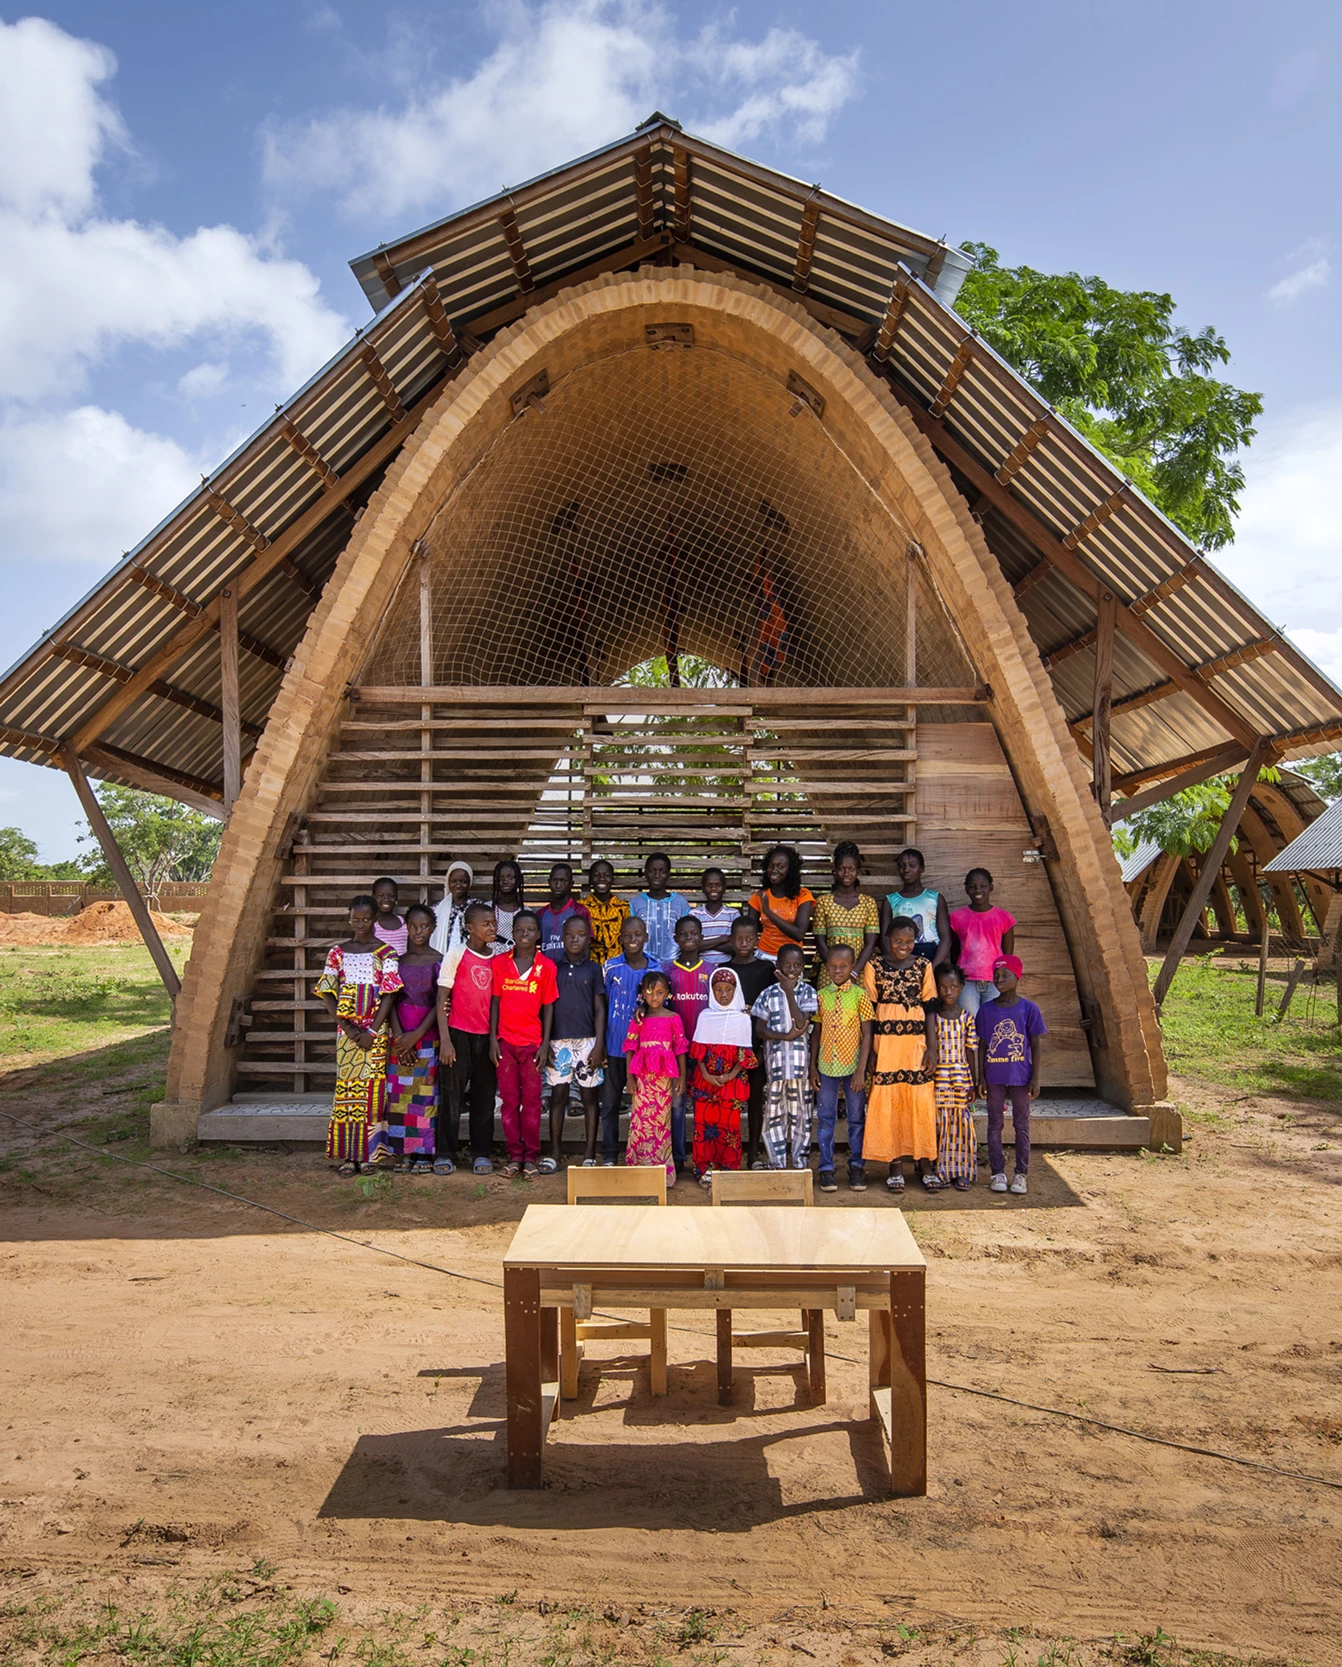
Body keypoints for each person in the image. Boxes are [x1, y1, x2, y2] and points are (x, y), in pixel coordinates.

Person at [315, 895, 403, 1176]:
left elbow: (389, 996)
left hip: (375, 1034)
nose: (360, 924)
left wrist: (372, 1031)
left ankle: (370, 1155)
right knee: (347, 1093)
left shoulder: (386, 953)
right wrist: (349, 1028)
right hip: (347, 1035)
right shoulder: (337, 952)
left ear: (375, 920)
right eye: (355, 919)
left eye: (365, 919)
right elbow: (327, 992)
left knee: (373, 1094)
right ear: (348, 918)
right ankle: (348, 1156)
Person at [862, 916, 938, 1194]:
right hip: (886, 1047)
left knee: (919, 1100)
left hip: (914, 1045)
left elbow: (930, 1009)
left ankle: (925, 1162)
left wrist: (932, 1047)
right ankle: (894, 1165)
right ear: (887, 939)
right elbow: (868, 1014)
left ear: (915, 941)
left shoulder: (923, 966)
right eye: (897, 941)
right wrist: (869, 1051)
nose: (902, 946)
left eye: (908, 941)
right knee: (889, 1102)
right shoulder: (874, 966)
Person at [489, 909, 557, 1178]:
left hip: (532, 1045)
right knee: (508, 1102)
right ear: (513, 933)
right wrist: (494, 1039)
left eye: (530, 930)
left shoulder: (547, 967)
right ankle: (514, 1156)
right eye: (519, 930)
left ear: (538, 934)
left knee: (531, 1103)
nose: (525, 934)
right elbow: (495, 1003)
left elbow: (549, 1008)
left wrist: (544, 1044)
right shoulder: (500, 963)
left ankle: (530, 1157)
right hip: (505, 1043)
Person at [436, 902, 500, 1175]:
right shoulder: (456, 954)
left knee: (484, 1099)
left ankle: (481, 1153)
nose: (492, 928)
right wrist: (446, 1041)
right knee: (451, 1097)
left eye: (493, 923)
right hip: (458, 1036)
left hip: (486, 1038)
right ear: (470, 927)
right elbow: (441, 999)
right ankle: (445, 1153)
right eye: (486, 924)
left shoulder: (499, 958)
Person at [380, 904, 443, 1173]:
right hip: (400, 1037)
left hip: (427, 1037)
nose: (419, 931)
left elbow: (439, 1004)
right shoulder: (397, 960)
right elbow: (390, 1000)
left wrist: (416, 1036)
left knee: (425, 1095)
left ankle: (424, 1152)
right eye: (414, 926)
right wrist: (400, 1037)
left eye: (424, 926)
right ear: (406, 926)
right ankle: (403, 1150)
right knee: (400, 1096)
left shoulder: (439, 959)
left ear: (433, 928)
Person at [977, 953, 1046, 1196]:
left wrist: (1035, 1078)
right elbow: (983, 1046)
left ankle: (1020, 1174)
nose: (999, 979)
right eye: (996, 975)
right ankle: (997, 1172)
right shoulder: (986, 1011)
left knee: (1021, 1124)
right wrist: (981, 1077)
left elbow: (1036, 1045)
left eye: (1005, 975)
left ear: (1017, 976)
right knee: (994, 1124)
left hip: (1021, 1076)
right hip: (994, 1075)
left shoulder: (1029, 1009)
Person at [542, 915, 606, 1172]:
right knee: (558, 1097)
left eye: (580, 934)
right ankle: (555, 1154)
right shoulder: (551, 968)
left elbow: (600, 1009)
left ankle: (589, 1153)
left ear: (588, 937)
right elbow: (546, 1006)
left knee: (590, 1099)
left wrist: (599, 1044)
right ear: (562, 937)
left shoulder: (593, 969)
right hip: (559, 1043)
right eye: (570, 934)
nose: (575, 938)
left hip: (588, 1042)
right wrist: (545, 1042)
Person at [599, 915, 664, 1166]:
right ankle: (609, 1154)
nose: (633, 939)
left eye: (638, 935)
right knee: (611, 1103)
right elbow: (603, 1007)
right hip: (615, 1046)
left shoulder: (656, 970)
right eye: (627, 935)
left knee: (645, 1104)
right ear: (621, 938)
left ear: (646, 937)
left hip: (646, 1051)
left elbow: (660, 1008)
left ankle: (644, 1154)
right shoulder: (611, 967)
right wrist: (601, 1043)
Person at [810, 942, 874, 1193]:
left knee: (857, 1118)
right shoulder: (822, 995)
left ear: (852, 966)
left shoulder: (860, 995)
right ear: (827, 966)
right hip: (826, 1067)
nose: (838, 970)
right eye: (833, 966)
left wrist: (861, 1070)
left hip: (853, 1068)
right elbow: (816, 1033)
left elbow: (867, 1034)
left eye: (843, 966)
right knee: (826, 1118)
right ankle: (826, 1168)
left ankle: (857, 1166)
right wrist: (813, 1067)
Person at [751, 941, 818, 1170]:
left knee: (802, 1116)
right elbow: (760, 1030)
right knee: (774, 1116)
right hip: (776, 1067)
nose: (791, 969)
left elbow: (801, 1023)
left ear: (803, 967)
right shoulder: (767, 995)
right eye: (787, 964)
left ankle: (800, 1163)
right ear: (777, 965)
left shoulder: (808, 992)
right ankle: (776, 1163)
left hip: (801, 1068)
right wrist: (785, 1037)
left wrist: (789, 992)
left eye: (797, 965)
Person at [688, 967, 758, 1186]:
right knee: (703, 1124)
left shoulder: (743, 1020)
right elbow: (698, 1052)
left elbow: (744, 1054)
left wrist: (730, 1075)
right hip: (706, 1081)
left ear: (735, 991)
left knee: (729, 1126)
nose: (723, 994)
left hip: (731, 1082)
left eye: (728, 989)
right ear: (712, 991)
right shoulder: (705, 1016)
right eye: (718, 989)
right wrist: (707, 1075)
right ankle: (704, 1169)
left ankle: (728, 1170)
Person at [623, 969, 689, 1183]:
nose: (654, 997)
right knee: (641, 1121)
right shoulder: (639, 1018)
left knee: (661, 1122)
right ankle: (637, 1169)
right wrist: (629, 1077)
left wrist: (681, 1077)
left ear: (668, 993)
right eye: (650, 992)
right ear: (642, 993)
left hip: (664, 1079)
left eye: (660, 992)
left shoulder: (674, 1018)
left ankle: (662, 1169)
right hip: (642, 1077)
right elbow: (630, 1047)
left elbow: (680, 1048)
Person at [726, 916, 777, 1170]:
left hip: (757, 1045)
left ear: (757, 939)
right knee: (731, 1100)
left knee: (756, 1099)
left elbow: (773, 1007)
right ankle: (731, 1150)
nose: (743, 943)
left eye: (749, 938)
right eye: (738, 938)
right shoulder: (724, 970)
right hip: (730, 1048)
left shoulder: (766, 969)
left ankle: (754, 1153)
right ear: (731, 939)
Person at [667, 914, 713, 1174]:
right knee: (676, 1104)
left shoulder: (711, 972)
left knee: (703, 1106)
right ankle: (678, 1157)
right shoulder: (666, 971)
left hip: (703, 1050)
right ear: (675, 938)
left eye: (693, 933)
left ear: (701, 938)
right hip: (675, 1054)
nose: (688, 938)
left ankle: (702, 1157)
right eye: (683, 934)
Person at [930, 964, 979, 1192]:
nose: (948, 992)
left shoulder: (967, 1018)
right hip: (938, 1077)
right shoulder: (933, 1018)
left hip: (960, 1078)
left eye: (953, 987)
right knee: (940, 1124)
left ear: (961, 988)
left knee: (961, 1126)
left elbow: (970, 1050)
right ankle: (941, 1171)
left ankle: (962, 1172)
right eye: (942, 987)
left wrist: (974, 1082)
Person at [812, 841, 880, 990]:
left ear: (858, 871)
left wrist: (853, 973)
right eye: (842, 869)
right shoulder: (823, 902)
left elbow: (870, 943)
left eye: (851, 869)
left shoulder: (868, 903)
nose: (847, 873)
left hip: (860, 972)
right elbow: (820, 941)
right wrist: (836, 970)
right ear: (835, 871)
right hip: (830, 972)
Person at [949, 869, 1016, 1015]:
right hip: (967, 982)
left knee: (993, 1024)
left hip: (995, 981)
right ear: (966, 889)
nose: (978, 890)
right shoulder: (957, 917)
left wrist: (1003, 978)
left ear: (991, 887)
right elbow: (954, 951)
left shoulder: (1003, 917)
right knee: (971, 1024)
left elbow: (1008, 955)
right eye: (972, 886)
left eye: (983, 885)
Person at [879, 849, 949, 969]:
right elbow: (884, 939)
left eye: (912, 865)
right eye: (902, 866)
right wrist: (897, 964)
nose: (906, 870)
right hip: (899, 955)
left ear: (922, 868)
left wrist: (933, 968)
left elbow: (946, 938)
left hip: (931, 955)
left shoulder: (935, 898)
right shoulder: (891, 900)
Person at [745, 844, 814, 962]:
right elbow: (750, 932)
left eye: (780, 866)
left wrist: (768, 912)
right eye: (771, 866)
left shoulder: (802, 895)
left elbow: (799, 934)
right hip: (764, 956)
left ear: (790, 870)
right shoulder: (759, 897)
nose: (774, 870)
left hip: (791, 959)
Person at [630, 852, 692, 963]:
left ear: (668, 875)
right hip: (644, 966)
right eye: (652, 870)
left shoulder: (681, 903)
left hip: (674, 965)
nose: (657, 875)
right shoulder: (635, 904)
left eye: (662, 871)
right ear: (645, 873)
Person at [536, 862, 592, 962]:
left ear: (571, 884)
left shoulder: (580, 911)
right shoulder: (541, 914)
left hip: (572, 972)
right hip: (546, 972)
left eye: (563, 881)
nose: (558, 885)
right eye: (555, 880)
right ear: (549, 882)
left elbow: (587, 946)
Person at [581, 858, 629, 966]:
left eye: (606, 875)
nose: (601, 879)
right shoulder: (581, 907)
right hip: (590, 967)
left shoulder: (623, 908)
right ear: (590, 880)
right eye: (597, 875)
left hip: (618, 966)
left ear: (612, 879)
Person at [430, 860, 475, 968]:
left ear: (470, 882)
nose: (458, 885)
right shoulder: (437, 909)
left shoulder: (477, 907)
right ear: (448, 882)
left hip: (470, 963)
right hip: (443, 964)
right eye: (454, 881)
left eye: (463, 881)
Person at [691, 866, 736, 966]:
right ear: (702, 888)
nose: (713, 888)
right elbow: (692, 946)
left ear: (724, 888)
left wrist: (705, 943)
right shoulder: (695, 915)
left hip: (726, 968)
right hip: (700, 968)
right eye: (709, 885)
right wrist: (720, 940)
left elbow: (736, 947)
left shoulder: (733, 915)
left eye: (718, 885)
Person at [490, 858, 526, 954]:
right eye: (500, 878)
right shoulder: (488, 909)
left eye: (510, 877)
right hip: (491, 961)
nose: (505, 881)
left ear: (518, 880)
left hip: (516, 963)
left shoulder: (525, 912)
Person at [371, 875, 408, 956]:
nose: (386, 899)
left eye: (391, 896)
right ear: (373, 898)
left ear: (397, 898)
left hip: (401, 968)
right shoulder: (372, 924)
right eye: (381, 896)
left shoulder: (403, 923)